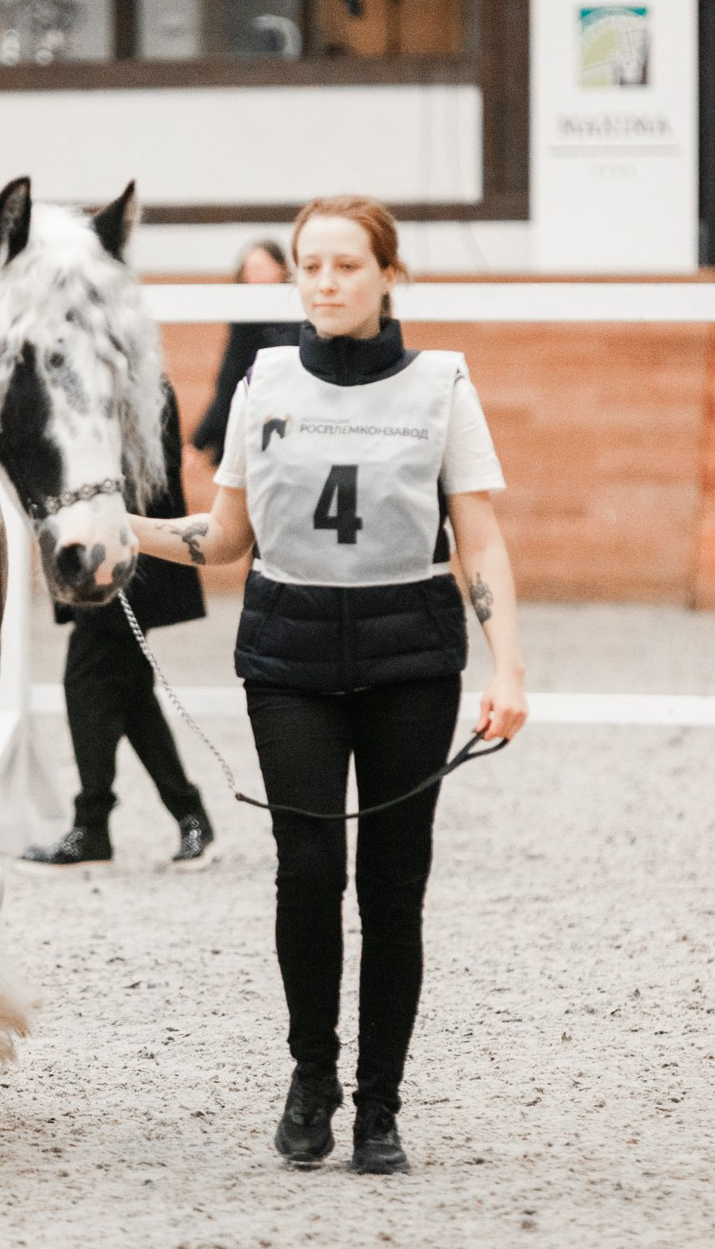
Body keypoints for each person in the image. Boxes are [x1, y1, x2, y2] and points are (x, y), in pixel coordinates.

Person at [128, 195, 529, 1175]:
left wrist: (506, 666)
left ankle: (378, 1108)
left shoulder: (440, 384)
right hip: (289, 655)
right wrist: (119, 529)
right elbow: (223, 539)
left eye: (345, 265)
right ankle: (312, 1076)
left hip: (410, 658)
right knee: (307, 874)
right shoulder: (262, 381)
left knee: (394, 891)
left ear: (388, 275)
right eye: (309, 263)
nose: (322, 281)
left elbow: (475, 537)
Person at [19, 379, 213, 870]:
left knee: (85, 680)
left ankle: (93, 826)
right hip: (98, 554)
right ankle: (186, 815)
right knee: (128, 694)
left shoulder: (142, 389)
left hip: (129, 557)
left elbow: (149, 473)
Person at [190, 240, 302, 465]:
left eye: (261, 266)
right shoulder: (243, 319)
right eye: (249, 268)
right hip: (257, 415)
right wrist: (200, 440)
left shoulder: (300, 309)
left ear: (281, 268)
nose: (254, 274)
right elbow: (230, 377)